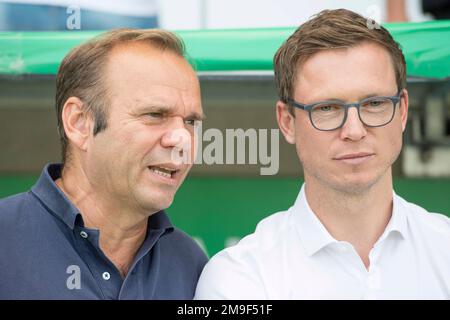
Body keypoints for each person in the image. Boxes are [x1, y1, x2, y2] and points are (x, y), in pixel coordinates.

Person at [195, 9, 450, 299]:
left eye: (375, 103)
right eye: (327, 108)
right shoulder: (241, 276)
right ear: (287, 122)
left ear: (402, 111)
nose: (354, 130)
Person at [0, 28, 208, 299]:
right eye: (155, 114)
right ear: (79, 123)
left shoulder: (190, 265)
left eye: (190, 122)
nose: (182, 139)